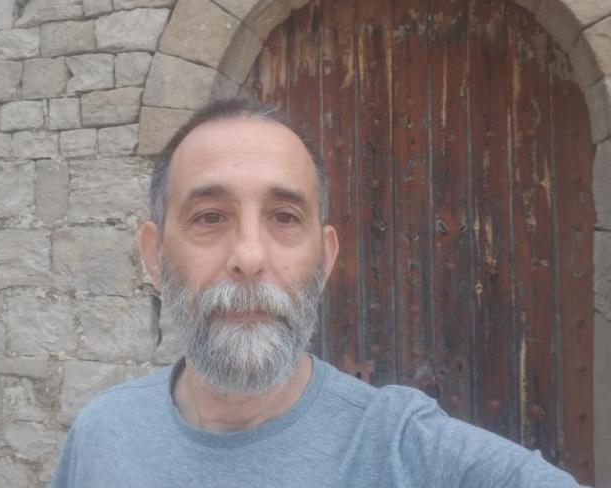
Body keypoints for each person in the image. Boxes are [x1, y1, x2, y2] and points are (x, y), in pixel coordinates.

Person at [51, 98, 585, 487]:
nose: (250, 256)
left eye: (285, 217)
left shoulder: (403, 450)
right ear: (153, 256)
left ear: (325, 259)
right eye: (209, 217)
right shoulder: (101, 434)